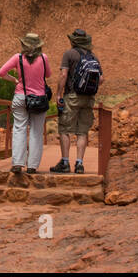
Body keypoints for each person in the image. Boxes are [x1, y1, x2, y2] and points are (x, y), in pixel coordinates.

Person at [0, 32, 51, 174]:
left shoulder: (18, 58)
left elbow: (1, 73)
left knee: (19, 129)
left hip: (21, 97)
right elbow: (48, 75)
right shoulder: (44, 58)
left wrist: (14, 80)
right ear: (38, 46)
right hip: (39, 99)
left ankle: (18, 163)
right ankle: (32, 166)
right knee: (36, 132)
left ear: (24, 45)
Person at [50, 29, 100, 174]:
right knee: (82, 132)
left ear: (73, 41)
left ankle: (65, 162)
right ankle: (79, 164)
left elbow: (63, 74)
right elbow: (101, 79)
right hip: (88, 99)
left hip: (72, 96)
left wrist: (59, 94)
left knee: (65, 129)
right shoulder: (93, 57)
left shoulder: (69, 54)